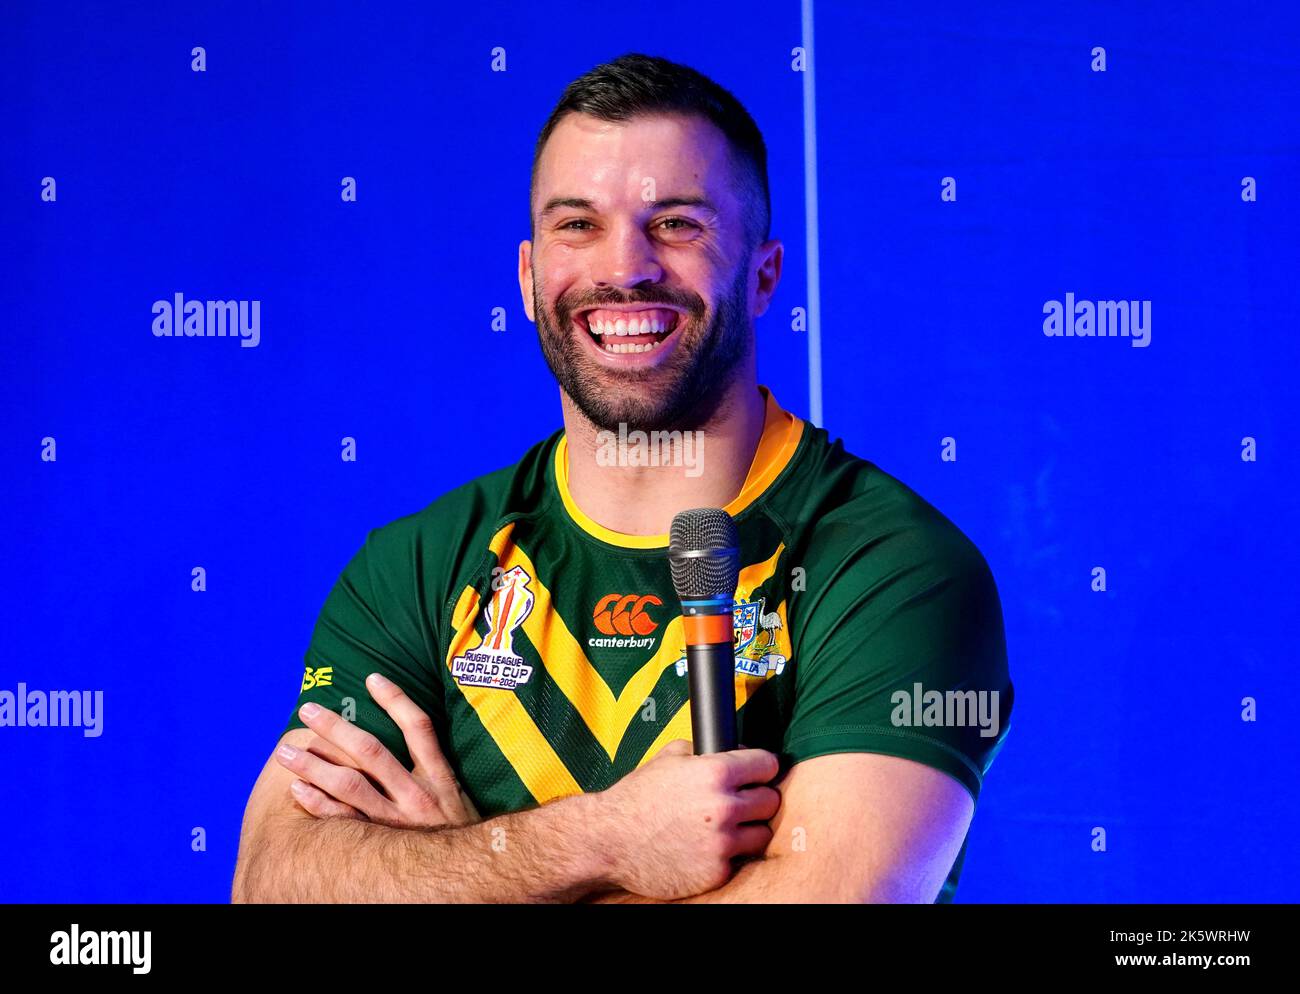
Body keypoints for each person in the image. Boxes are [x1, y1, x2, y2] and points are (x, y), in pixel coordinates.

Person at [231, 52, 1013, 904]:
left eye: (677, 224)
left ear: (763, 275)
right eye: (578, 225)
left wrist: (463, 864)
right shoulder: (416, 567)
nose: (624, 268)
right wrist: (598, 841)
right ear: (529, 279)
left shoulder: (893, 568)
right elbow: (272, 885)